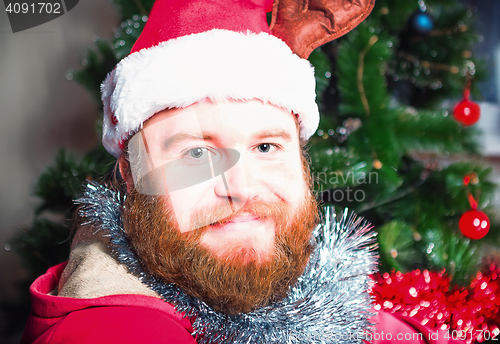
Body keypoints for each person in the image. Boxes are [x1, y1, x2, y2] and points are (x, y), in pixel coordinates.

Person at [21, 0, 465, 343]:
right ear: (131, 175)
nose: (242, 188)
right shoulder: (115, 328)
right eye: (196, 155)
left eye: (266, 146)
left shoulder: (329, 291)